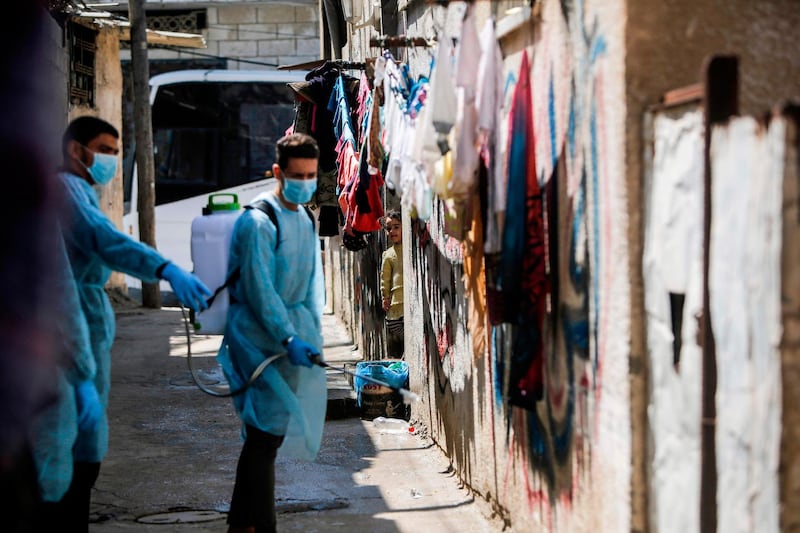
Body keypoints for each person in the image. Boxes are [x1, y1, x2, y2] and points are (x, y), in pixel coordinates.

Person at [45, 115, 211, 531]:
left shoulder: (78, 190)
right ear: (75, 150)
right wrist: (165, 268)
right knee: (70, 463)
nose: (112, 161)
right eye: (105, 150)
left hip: (82, 336)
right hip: (69, 342)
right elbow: (105, 241)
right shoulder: (65, 191)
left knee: (79, 460)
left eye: (117, 153)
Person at [216, 132, 326, 533]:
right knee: (263, 436)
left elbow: (311, 286)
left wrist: (309, 336)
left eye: (312, 175)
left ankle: (243, 524)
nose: (305, 182)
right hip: (258, 340)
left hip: (290, 339)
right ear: (279, 172)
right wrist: (288, 337)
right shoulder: (258, 222)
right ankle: (259, 525)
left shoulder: (304, 217)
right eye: (298, 175)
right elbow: (261, 293)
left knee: (267, 439)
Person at [380, 209, 404, 359]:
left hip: (407, 308)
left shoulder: (410, 249)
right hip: (395, 310)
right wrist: (385, 297)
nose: (392, 231)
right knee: (401, 342)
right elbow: (385, 278)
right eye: (389, 228)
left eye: (396, 226)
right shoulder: (388, 254)